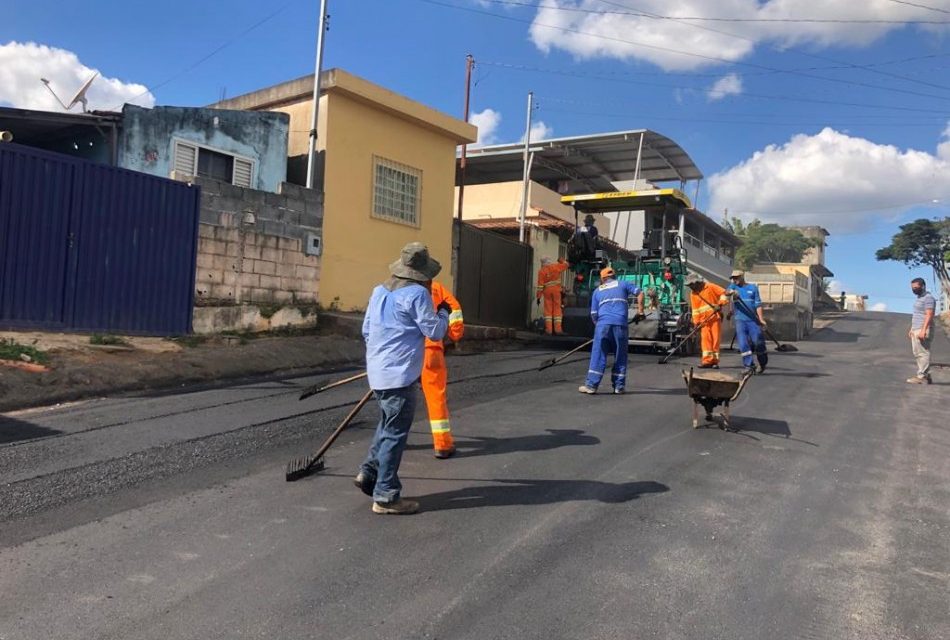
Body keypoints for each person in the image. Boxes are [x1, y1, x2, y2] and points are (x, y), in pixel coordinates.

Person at [355, 242, 451, 515]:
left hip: (378, 372)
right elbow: (434, 331)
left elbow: (366, 331)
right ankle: (385, 496)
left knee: (386, 425)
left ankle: (369, 472)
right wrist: (444, 312)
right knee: (395, 434)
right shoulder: (417, 295)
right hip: (400, 375)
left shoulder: (378, 291)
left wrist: (380, 358)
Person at [579, 267, 644, 395]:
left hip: (602, 325)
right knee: (620, 355)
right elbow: (640, 293)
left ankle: (591, 386)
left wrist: (600, 329)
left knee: (598, 355)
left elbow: (593, 314)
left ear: (603, 279)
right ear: (614, 276)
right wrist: (640, 311)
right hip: (620, 325)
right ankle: (619, 387)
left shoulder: (597, 291)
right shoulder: (623, 284)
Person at [422, 280, 464, 458]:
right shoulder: (436, 287)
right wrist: (455, 334)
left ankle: (391, 441)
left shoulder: (395, 289)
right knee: (435, 397)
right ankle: (442, 444)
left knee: (396, 397)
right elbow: (454, 307)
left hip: (403, 351)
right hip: (431, 348)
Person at [726, 270, 769, 375]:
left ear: (742, 277)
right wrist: (732, 293)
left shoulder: (753, 288)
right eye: (733, 278)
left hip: (753, 321)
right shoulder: (733, 287)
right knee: (743, 344)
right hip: (740, 320)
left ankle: (762, 363)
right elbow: (726, 292)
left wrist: (761, 319)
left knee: (758, 342)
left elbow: (758, 305)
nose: (734, 280)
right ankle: (749, 366)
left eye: (736, 278)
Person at [685, 273, 729, 369]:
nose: (690, 287)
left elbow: (724, 293)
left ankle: (715, 361)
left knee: (715, 340)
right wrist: (696, 323)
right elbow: (695, 310)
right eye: (689, 285)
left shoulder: (710, 286)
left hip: (714, 318)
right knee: (705, 340)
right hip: (704, 321)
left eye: (691, 285)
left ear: (697, 282)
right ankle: (706, 361)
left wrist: (720, 304)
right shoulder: (693, 294)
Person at [907, 277, 936, 384]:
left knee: (922, 353)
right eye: (912, 288)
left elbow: (929, 314)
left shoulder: (928, 298)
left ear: (923, 286)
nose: (914, 289)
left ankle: (922, 376)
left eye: (916, 287)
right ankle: (926, 375)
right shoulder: (919, 298)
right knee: (917, 353)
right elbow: (917, 315)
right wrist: (912, 329)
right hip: (916, 328)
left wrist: (923, 330)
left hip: (923, 328)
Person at [536, 256, 570, 335]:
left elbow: (540, 286)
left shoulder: (541, 271)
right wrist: (562, 260)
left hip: (547, 292)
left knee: (548, 311)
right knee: (557, 309)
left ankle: (549, 330)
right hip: (556, 291)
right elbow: (566, 265)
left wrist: (538, 297)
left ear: (542, 263)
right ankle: (558, 330)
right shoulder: (555, 266)